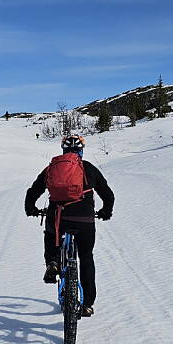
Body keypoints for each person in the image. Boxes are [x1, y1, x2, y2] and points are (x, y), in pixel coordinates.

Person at [25, 135, 114, 317]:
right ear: (81, 151)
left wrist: (31, 209)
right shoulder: (88, 168)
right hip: (84, 219)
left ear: (64, 151)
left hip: (57, 217)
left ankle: (53, 262)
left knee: (51, 234)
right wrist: (106, 212)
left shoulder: (52, 168)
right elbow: (108, 195)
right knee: (86, 257)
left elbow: (33, 191)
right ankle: (87, 304)